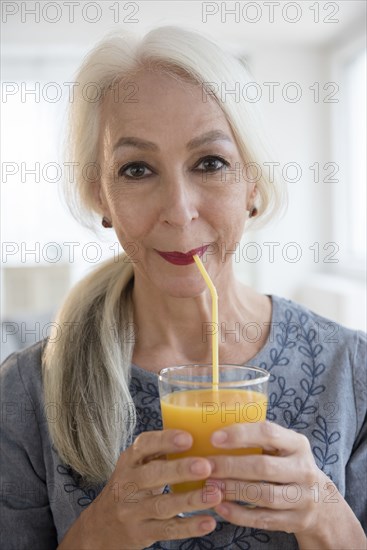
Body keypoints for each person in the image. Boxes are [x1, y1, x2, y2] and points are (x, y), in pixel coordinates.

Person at [1, 25, 366, 550]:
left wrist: (325, 518)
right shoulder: (22, 395)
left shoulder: (351, 371)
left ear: (253, 183)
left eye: (210, 163)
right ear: (99, 196)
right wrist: (95, 537)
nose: (178, 211)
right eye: (137, 169)